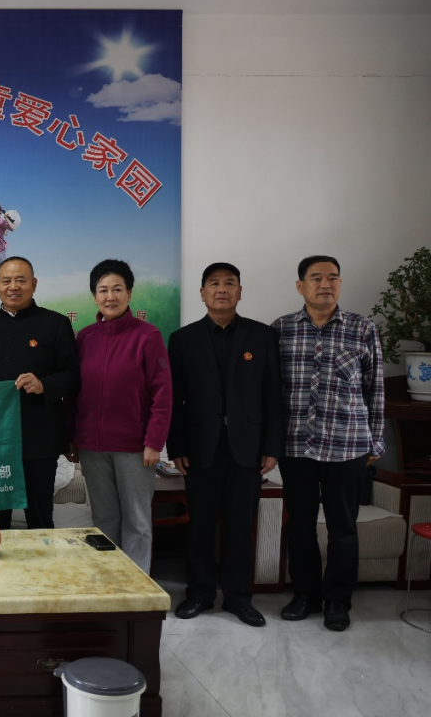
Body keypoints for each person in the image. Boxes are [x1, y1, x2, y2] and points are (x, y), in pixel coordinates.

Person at [167, 263, 283, 628]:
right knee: (200, 525)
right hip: (200, 448)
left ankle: (238, 597)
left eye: (229, 283)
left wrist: (272, 446)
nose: (222, 289)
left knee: (240, 526)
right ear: (202, 293)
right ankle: (199, 593)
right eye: (214, 284)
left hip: (247, 449)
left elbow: (273, 395)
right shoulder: (182, 339)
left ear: (239, 291)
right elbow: (174, 399)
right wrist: (176, 446)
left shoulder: (262, 336)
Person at [272, 255, 384, 632]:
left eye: (333, 278)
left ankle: (338, 599)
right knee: (300, 523)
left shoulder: (362, 328)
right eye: (316, 277)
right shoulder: (281, 329)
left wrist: (376, 441)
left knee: (343, 526)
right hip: (296, 446)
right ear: (300, 286)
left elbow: (375, 388)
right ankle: (305, 594)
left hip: (347, 444)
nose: (325, 284)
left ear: (340, 284)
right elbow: (270, 392)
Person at [69, 259, 171, 573]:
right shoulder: (85, 338)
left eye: (117, 289)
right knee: (104, 519)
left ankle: (137, 586)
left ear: (129, 294)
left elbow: (162, 393)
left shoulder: (148, 336)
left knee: (137, 520)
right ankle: (109, 582)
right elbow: (73, 392)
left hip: (135, 448)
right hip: (92, 447)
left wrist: (154, 442)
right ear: (94, 297)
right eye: (103, 290)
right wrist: (73, 437)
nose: (110, 296)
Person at [0, 257, 80, 530]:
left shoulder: (55, 324)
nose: (14, 287)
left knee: (40, 518)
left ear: (34, 284)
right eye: (6, 281)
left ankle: (42, 558)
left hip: (40, 437)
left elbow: (72, 375)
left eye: (21, 280)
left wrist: (44, 384)